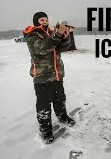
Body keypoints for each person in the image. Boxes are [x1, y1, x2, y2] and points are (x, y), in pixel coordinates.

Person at [23, 12, 75, 144]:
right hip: (42, 77)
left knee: (59, 99)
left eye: (46, 19)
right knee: (44, 106)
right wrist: (57, 35)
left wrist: (65, 37)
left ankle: (62, 116)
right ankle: (45, 130)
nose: (45, 21)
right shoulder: (32, 35)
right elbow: (42, 48)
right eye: (41, 19)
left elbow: (63, 48)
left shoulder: (51, 33)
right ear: (36, 22)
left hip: (57, 74)